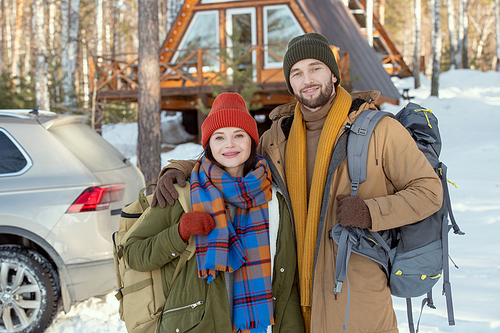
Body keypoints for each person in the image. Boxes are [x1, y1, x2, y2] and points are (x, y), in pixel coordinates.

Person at [152, 33, 443, 333]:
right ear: (290, 82)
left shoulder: (380, 130)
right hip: (293, 298)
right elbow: (232, 158)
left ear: (333, 72)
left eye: (315, 67)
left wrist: (371, 212)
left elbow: (429, 191)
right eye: (297, 72)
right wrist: (179, 168)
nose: (307, 79)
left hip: (357, 298)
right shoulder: (278, 137)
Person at [124, 92, 304, 333]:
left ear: (252, 140)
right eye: (219, 137)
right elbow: (133, 253)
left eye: (239, 135)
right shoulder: (183, 192)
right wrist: (179, 233)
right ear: (208, 144)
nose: (229, 144)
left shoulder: (275, 198)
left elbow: (285, 282)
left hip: (263, 326)